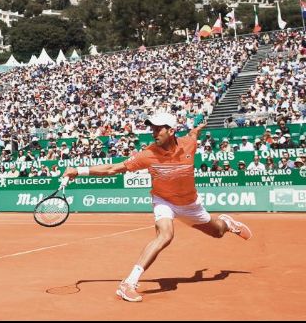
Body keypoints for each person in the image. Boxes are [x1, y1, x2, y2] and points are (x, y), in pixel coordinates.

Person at [63, 112, 252, 303]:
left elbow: (193, 136)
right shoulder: (148, 154)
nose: (154, 133)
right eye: (152, 128)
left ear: (171, 131)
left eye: (158, 129)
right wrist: (78, 171)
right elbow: (113, 168)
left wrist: (195, 130)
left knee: (218, 232)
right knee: (165, 235)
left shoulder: (189, 144)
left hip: (190, 204)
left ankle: (227, 223)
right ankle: (129, 283)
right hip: (164, 201)